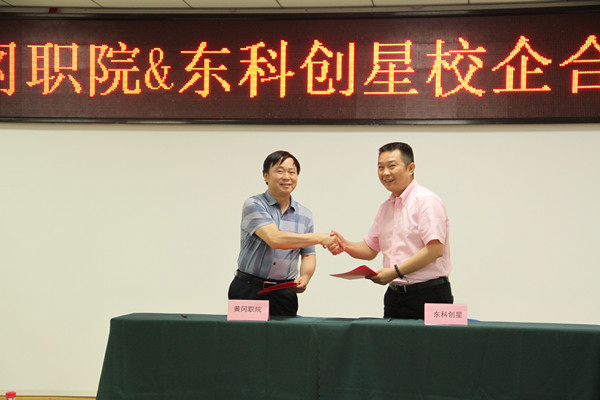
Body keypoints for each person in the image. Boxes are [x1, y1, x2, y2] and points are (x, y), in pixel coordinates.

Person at [329, 142, 453, 319]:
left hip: (430, 294)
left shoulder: (426, 201)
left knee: (431, 340)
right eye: (380, 167)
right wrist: (345, 244)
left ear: (411, 168)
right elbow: (370, 249)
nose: (385, 173)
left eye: (391, 166)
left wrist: (395, 272)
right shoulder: (386, 208)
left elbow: (435, 249)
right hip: (395, 296)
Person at [228, 150, 335, 317]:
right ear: (266, 176)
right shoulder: (254, 204)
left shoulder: (305, 215)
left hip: (284, 293)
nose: (286, 177)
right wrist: (320, 238)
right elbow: (275, 238)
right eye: (280, 171)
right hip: (249, 289)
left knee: (284, 334)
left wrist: (305, 277)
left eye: (292, 172)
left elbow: (308, 254)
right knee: (247, 334)